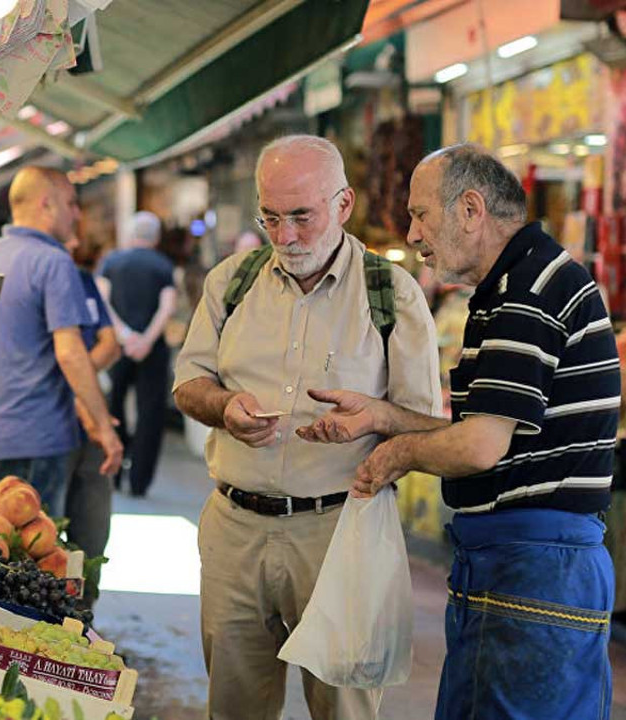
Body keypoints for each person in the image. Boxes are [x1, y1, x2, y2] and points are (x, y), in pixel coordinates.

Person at [299, 144, 620, 720]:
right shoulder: (518, 284)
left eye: (421, 214)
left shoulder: (526, 292)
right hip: (530, 565)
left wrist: (396, 454)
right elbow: (488, 432)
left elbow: (478, 448)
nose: (412, 233)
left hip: (533, 569)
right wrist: (382, 417)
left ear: (470, 209)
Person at [172, 135, 440, 720]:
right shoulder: (230, 282)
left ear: (343, 205)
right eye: (270, 217)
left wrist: (372, 424)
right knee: (233, 708)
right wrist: (225, 407)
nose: (285, 236)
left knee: (343, 706)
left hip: (340, 533)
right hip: (235, 531)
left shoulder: (392, 294)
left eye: (301, 216)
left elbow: (424, 428)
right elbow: (188, 383)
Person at [0, 167, 123, 514]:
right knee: (35, 544)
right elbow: (70, 353)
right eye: (71, 203)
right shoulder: (54, 261)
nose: (77, 214)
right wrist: (104, 427)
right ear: (47, 204)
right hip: (37, 438)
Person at [97, 211, 177, 496]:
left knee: (113, 408)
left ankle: (114, 471)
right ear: (156, 237)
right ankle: (139, 481)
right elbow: (167, 308)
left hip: (117, 348)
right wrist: (145, 340)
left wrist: (125, 335)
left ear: (131, 234)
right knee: (150, 414)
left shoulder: (112, 262)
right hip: (152, 350)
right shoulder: (164, 265)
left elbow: (101, 301)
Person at [63, 231, 122, 564]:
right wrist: (76, 377)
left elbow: (111, 343)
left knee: (92, 529)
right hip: (49, 420)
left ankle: (86, 591)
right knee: (42, 532)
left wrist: (75, 375)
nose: (75, 241)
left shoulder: (83, 281)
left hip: (91, 409)